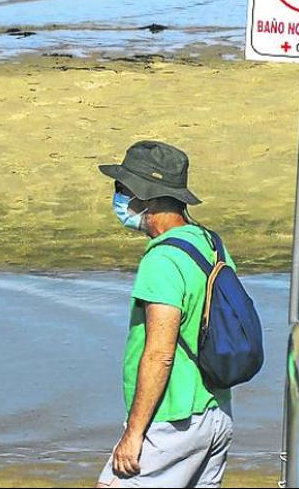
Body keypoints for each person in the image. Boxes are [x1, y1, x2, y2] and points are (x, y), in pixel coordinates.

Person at [96, 141, 235, 488]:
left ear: (146, 196)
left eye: (121, 188)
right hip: (216, 414)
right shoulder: (210, 242)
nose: (117, 198)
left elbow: (160, 356)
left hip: (172, 421)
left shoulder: (161, 261)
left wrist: (133, 433)